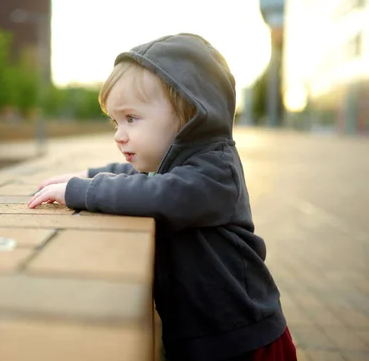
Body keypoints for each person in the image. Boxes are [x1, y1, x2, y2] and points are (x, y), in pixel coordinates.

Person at [28, 33, 297, 361]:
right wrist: (87, 176)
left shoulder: (216, 169)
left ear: (189, 111)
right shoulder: (178, 164)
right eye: (115, 121)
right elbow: (142, 177)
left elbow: (161, 193)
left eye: (131, 118)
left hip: (246, 341)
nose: (118, 134)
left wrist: (81, 192)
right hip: (202, 337)